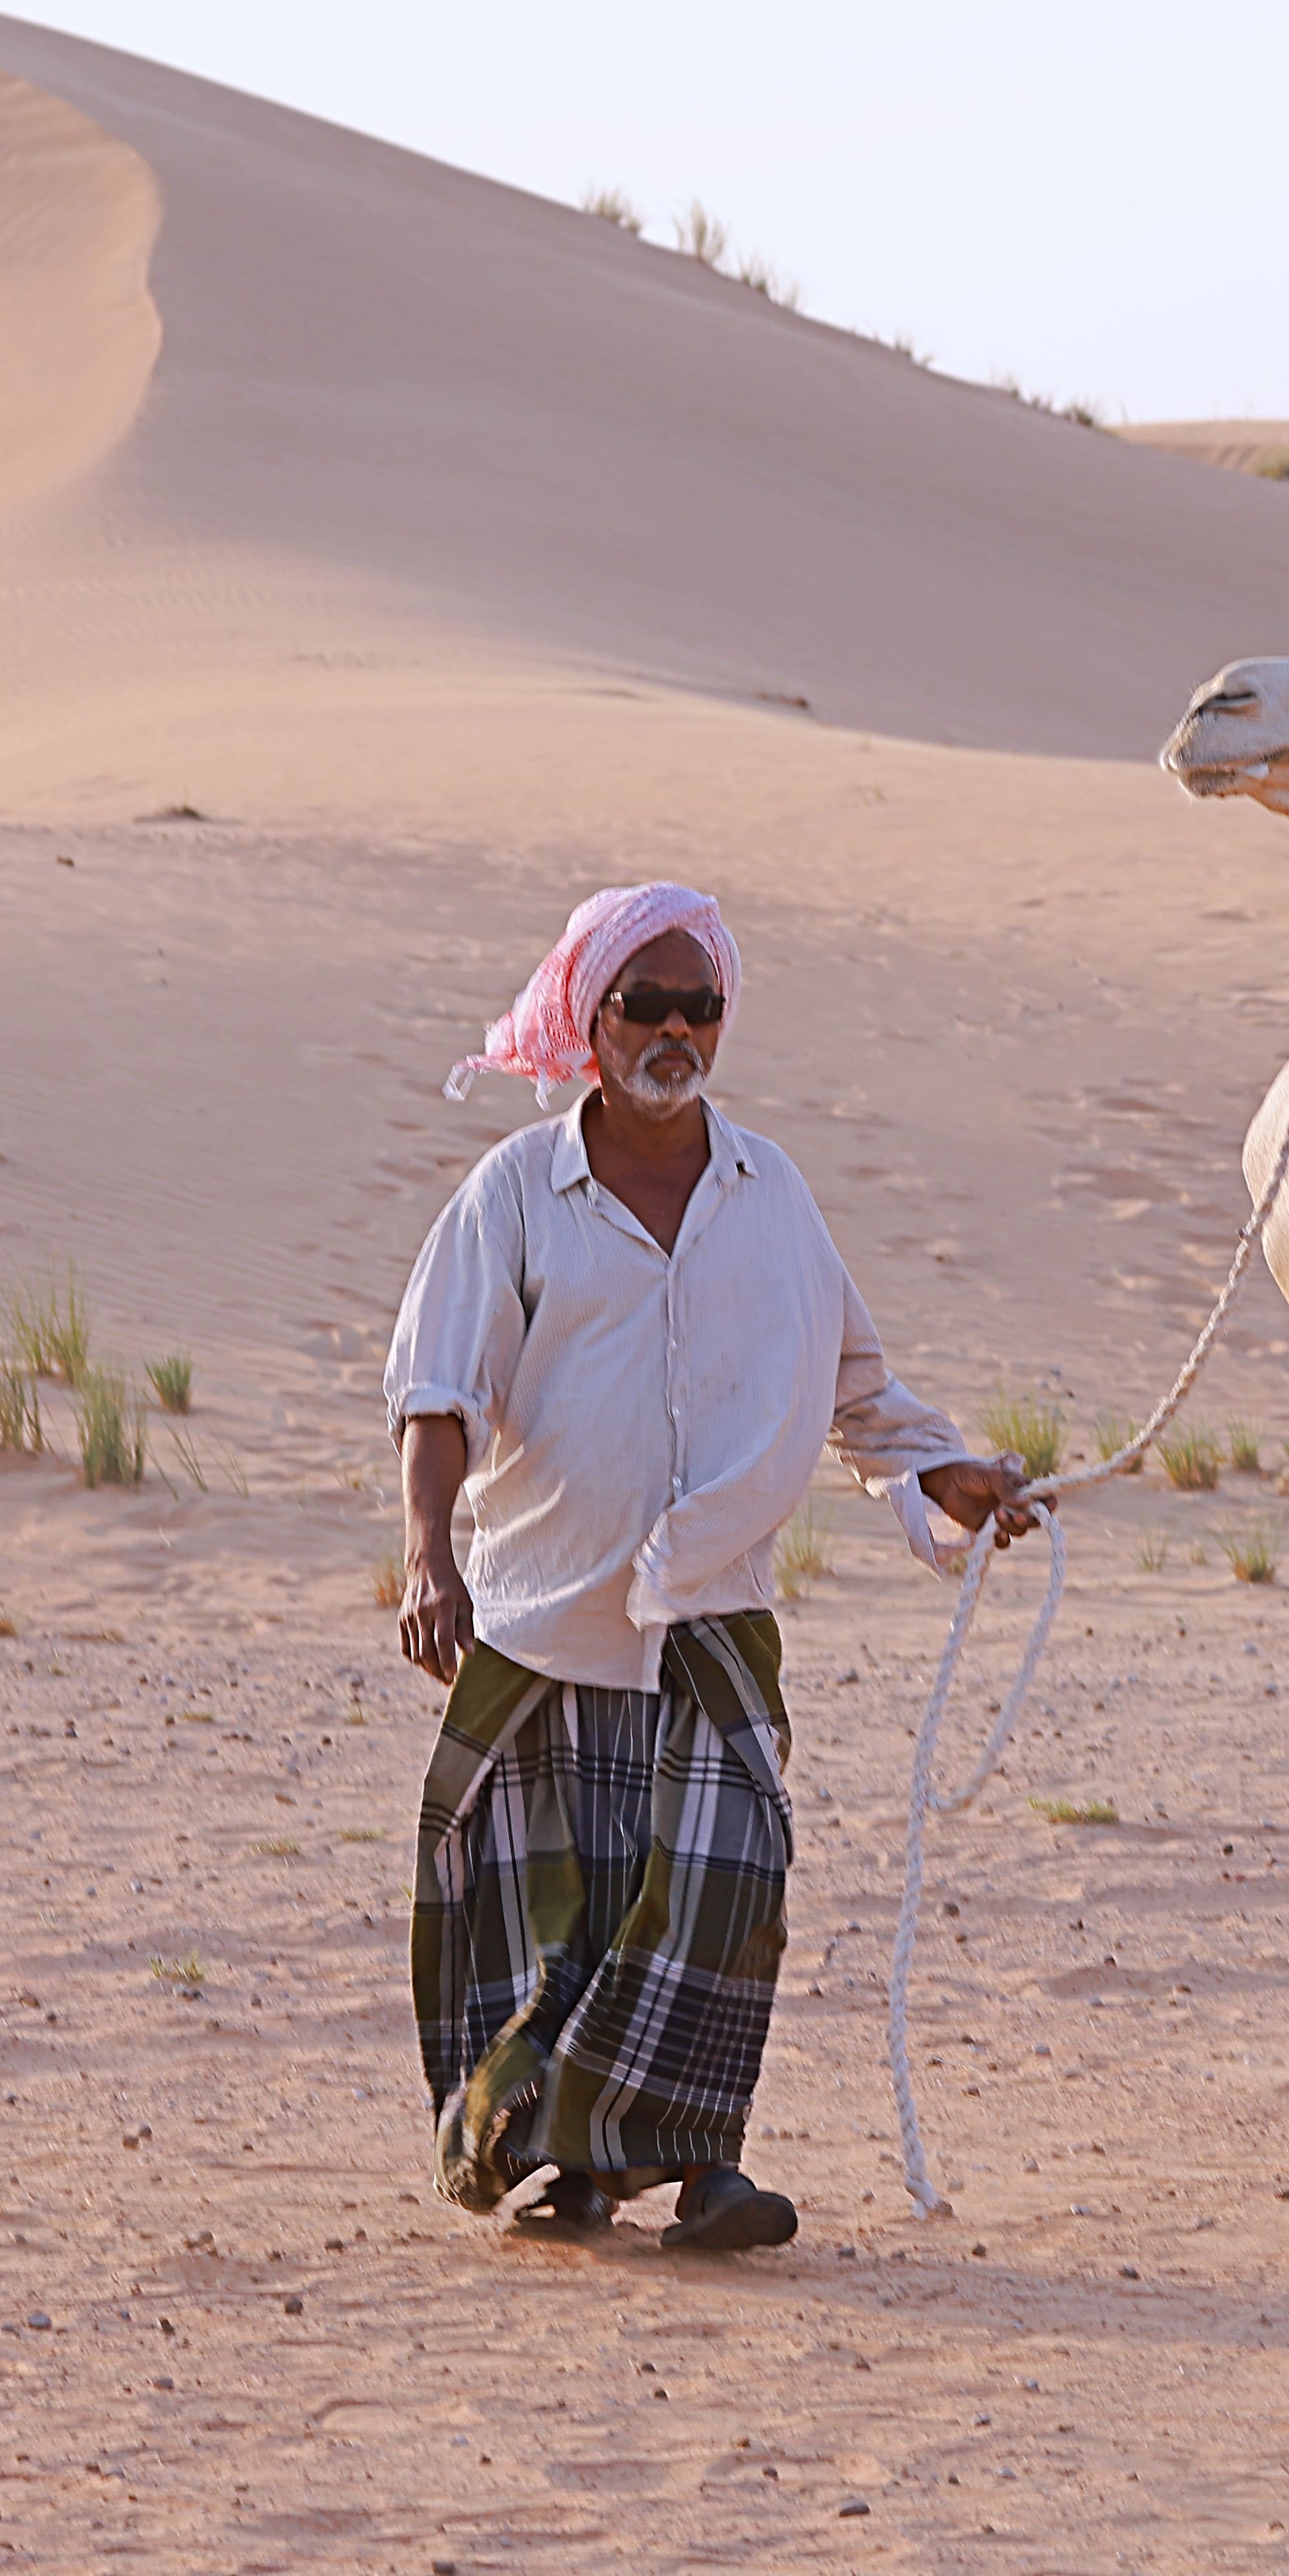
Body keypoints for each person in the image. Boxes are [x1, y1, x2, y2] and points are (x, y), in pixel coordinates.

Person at [384, 882, 1029, 2252]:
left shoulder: (770, 1194)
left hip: (714, 1611)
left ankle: (708, 2165)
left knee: (726, 1884)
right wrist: (428, 1558)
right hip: (551, 1617)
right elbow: (437, 1394)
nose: (676, 1030)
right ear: (591, 1019)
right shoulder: (516, 1194)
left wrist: (946, 1475)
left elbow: (855, 1389)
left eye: (702, 1006)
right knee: (569, 1922)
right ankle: (579, 2168)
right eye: (647, 1004)